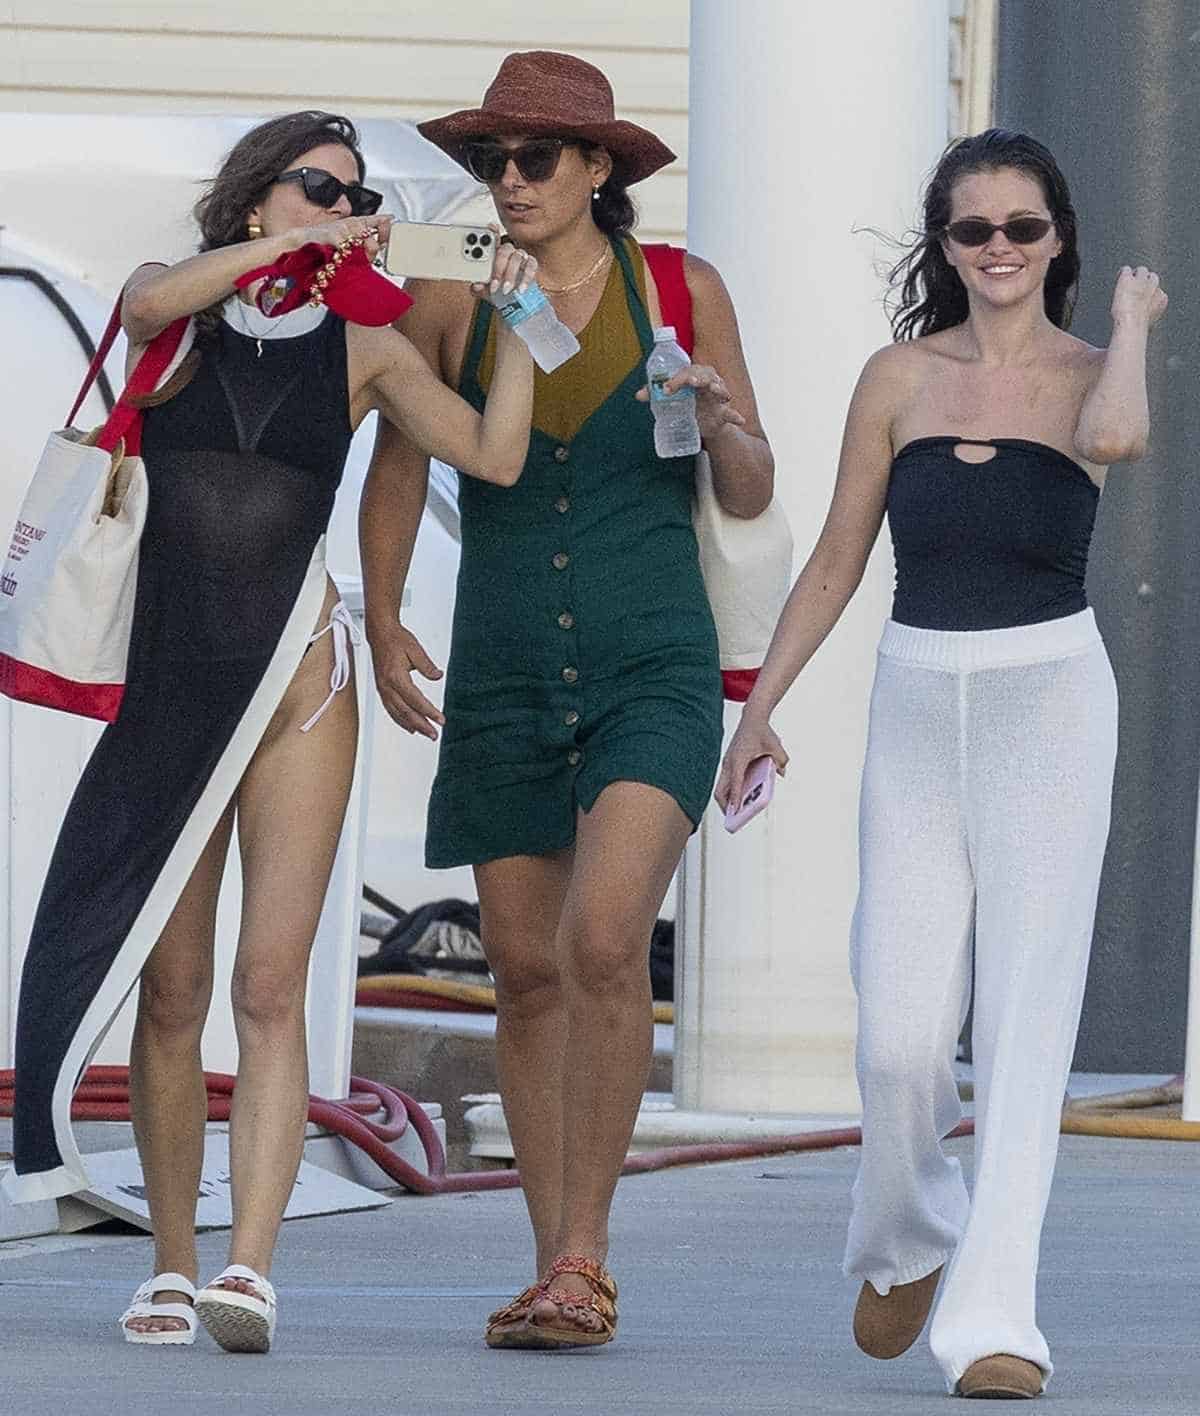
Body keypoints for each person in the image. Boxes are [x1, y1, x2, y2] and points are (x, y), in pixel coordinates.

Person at [4, 109, 536, 1352]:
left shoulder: (369, 342)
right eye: (319, 188)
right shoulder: (174, 308)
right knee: (172, 987)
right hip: (173, 685)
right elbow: (145, 304)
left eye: (358, 196)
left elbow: (492, 455)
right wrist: (280, 252)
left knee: (266, 983)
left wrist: (512, 322)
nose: (346, 211)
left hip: (298, 676)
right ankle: (171, 1265)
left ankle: (248, 1266)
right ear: (256, 198)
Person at [717, 128, 1166, 1400]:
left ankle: (995, 1321)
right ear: (946, 245)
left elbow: (1119, 442)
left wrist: (1131, 326)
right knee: (901, 1034)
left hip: (1050, 701)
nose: (999, 248)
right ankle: (907, 1230)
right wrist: (758, 707)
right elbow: (836, 557)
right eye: (975, 229)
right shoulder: (897, 378)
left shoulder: (1092, 372)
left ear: (1057, 238)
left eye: (1024, 227)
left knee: (1026, 1020)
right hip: (917, 699)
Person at [360, 50, 773, 1348]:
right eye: (493, 159)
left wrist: (719, 418)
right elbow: (396, 458)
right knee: (526, 970)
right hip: (504, 666)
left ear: (600, 168)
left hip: (655, 659)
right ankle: (554, 1265)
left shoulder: (678, 289)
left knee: (603, 939)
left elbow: (752, 487)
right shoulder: (452, 298)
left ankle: (587, 1256)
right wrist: (384, 614)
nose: (510, 180)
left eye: (536, 157)